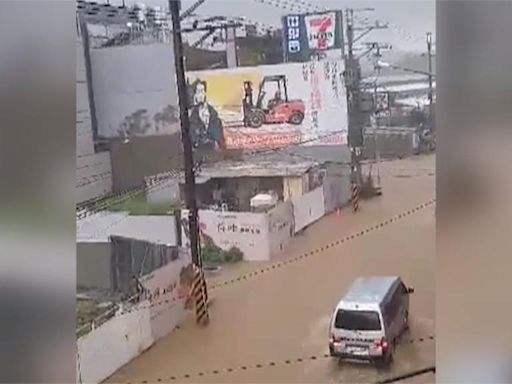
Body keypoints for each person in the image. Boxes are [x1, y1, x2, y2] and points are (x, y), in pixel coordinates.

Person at [189, 79, 225, 150]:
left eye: (202, 91)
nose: (200, 94)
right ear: (195, 95)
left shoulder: (213, 114)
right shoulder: (192, 117)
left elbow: (221, 140)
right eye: (198, 92)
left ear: (205, 93)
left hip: (213, 153)